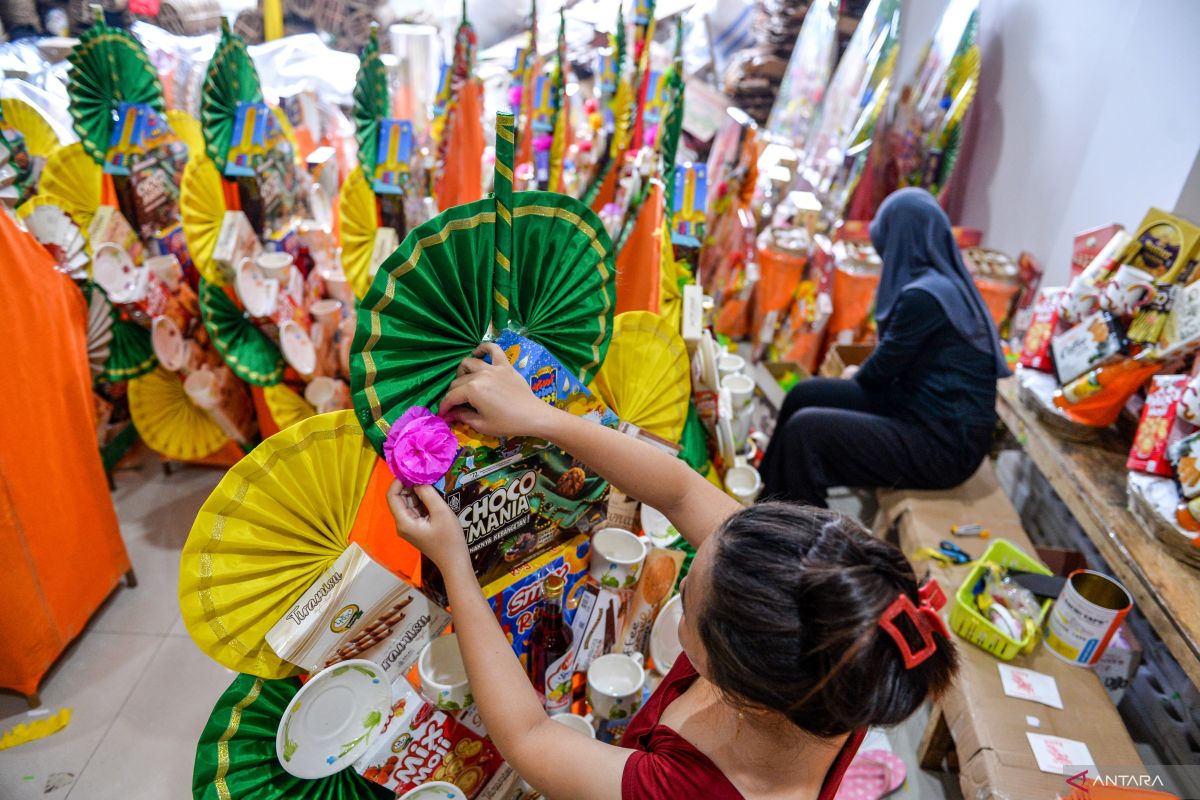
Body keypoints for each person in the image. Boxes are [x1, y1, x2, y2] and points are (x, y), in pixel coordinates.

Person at [386, 342, 958, 800]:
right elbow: (681, 489)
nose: (680, 586)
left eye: (687, 604)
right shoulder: (841, 655)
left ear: (745, 689)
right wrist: (543, 418)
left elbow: (529, 737)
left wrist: (456, 564)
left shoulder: (690, 788)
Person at [760, 187, 1010, 506]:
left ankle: (799, 536)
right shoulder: (940, 284)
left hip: (945, 446)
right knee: (802, 394)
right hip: (917, 407)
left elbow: (881, 371)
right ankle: (770, 500)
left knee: (806, 431)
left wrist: (856, 374)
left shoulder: (925, 297)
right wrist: (858, 376)